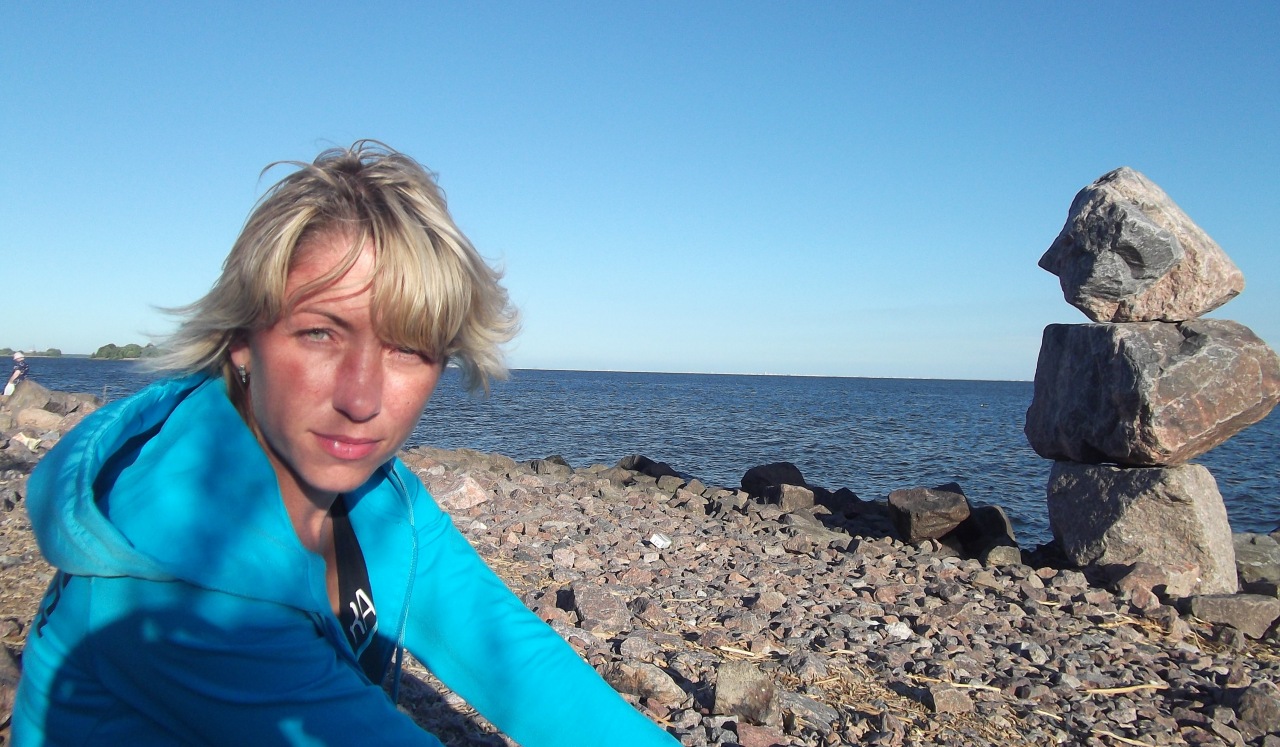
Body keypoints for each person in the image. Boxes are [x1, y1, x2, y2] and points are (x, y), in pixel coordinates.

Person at [14, 142, 679, 746]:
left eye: (408, 348)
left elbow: (514, 658)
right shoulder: (175, 589)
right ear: (242, 341)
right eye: (320, 334)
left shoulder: (373, 495)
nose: (361, 400)